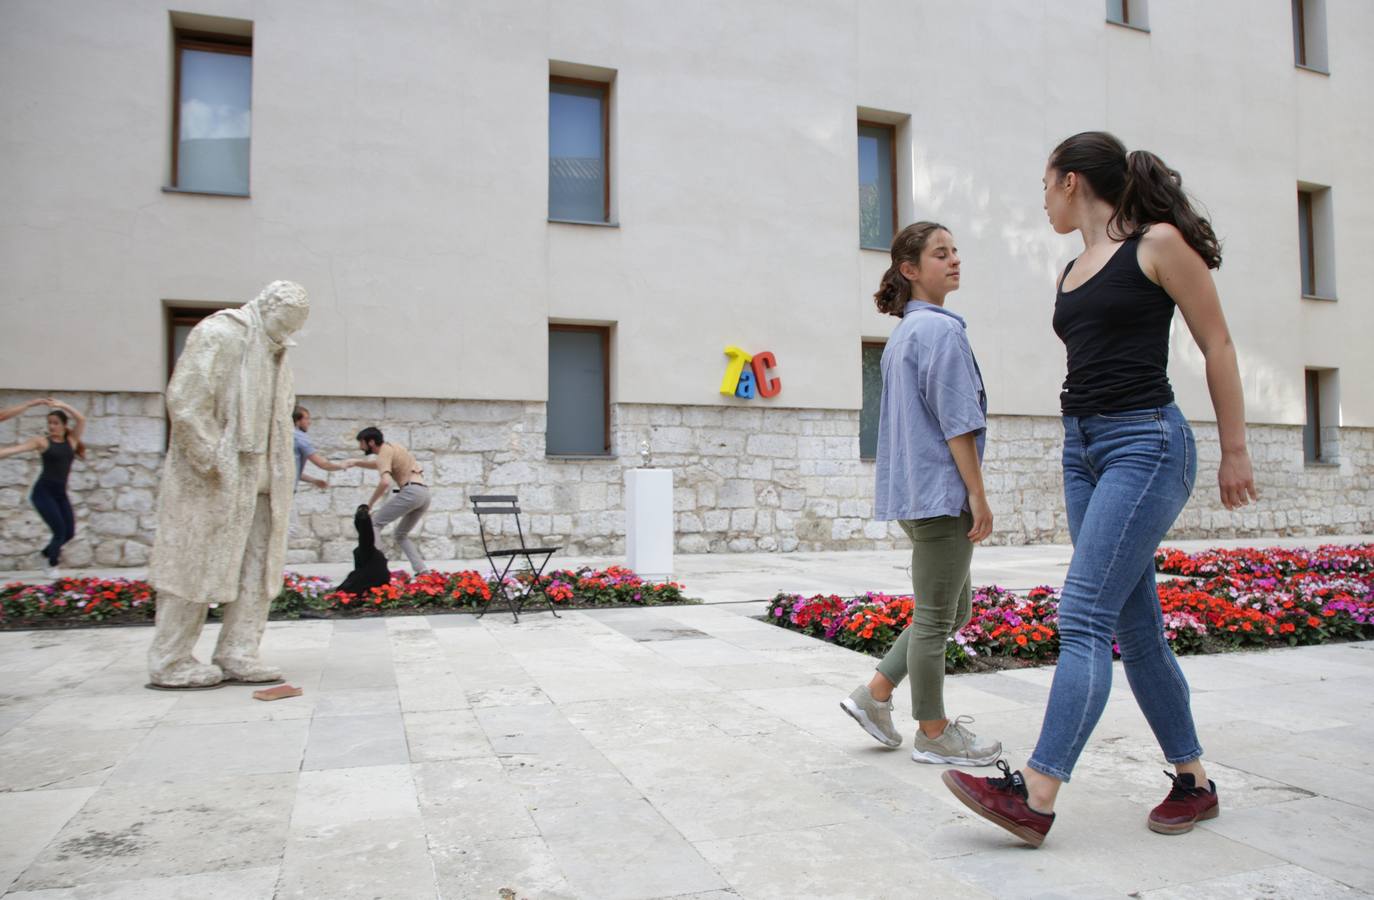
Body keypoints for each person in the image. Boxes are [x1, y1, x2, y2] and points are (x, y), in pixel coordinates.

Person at [942, 132, 1260, 847]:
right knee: (1134, 624)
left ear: (1073, 182)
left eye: (1045, 183)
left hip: (1146, 442)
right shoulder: (1069, 269)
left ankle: (1037, 794)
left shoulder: (1158, 244)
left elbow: (1219, 344)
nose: (1042, 198)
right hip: (1082, 448)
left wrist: (1234, 449)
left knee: (1081, 612)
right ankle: (1195, 783)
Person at [839, 221, 1001, 767]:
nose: (954, 260)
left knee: (953, 610)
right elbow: (957, 422)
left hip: (915, 491)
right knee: (937, 617)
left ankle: (875, 694)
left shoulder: (905, 334)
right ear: (910, 270)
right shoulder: (940, 332)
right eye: (940, 254)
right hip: (941, 493)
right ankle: (932, 731)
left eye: (956, 251)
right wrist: (976, 494)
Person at [146, 281, 310, 689]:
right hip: (217, 479)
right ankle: (171, 658)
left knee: (256, 569)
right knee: (194, 564)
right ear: (265, 306)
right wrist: (212, 460)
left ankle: (239, 650)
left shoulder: (277, 351)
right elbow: (185, 402)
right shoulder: (218, 334)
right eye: (282, 324)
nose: (285, 335)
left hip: (263, 481)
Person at [0, 399, 86, 577]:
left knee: (69, 533)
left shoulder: (72, 441)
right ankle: (52, 565)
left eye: (55, 423)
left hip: (60, 495)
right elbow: (17, 449)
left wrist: (63, 405)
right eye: (49, 423)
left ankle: (45, 554)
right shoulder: (42, 442)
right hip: (43, 494)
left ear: (64, 425)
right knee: (59, 531)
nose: (52, 426)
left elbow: (81, 419)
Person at [343, 427, 430, 574]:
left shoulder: (384, 451)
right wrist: (357, 462)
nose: (360, 447)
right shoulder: (394, 447)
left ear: (371, 442)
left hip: (411, 492)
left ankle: (377, 569)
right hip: (424, 493)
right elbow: (380, 464)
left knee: (374, 524)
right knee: (401, 534)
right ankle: (422, 571)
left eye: (361, 443)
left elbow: (385, 482)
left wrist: (368, 505)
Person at [291, 404, 347, 488]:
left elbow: (294, 472)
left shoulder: (291, 435)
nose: (309, 422)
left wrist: (314, 481)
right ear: (297, 421)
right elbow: (322, 464)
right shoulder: (300, 438)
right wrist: (341, 465)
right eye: (306, 418)